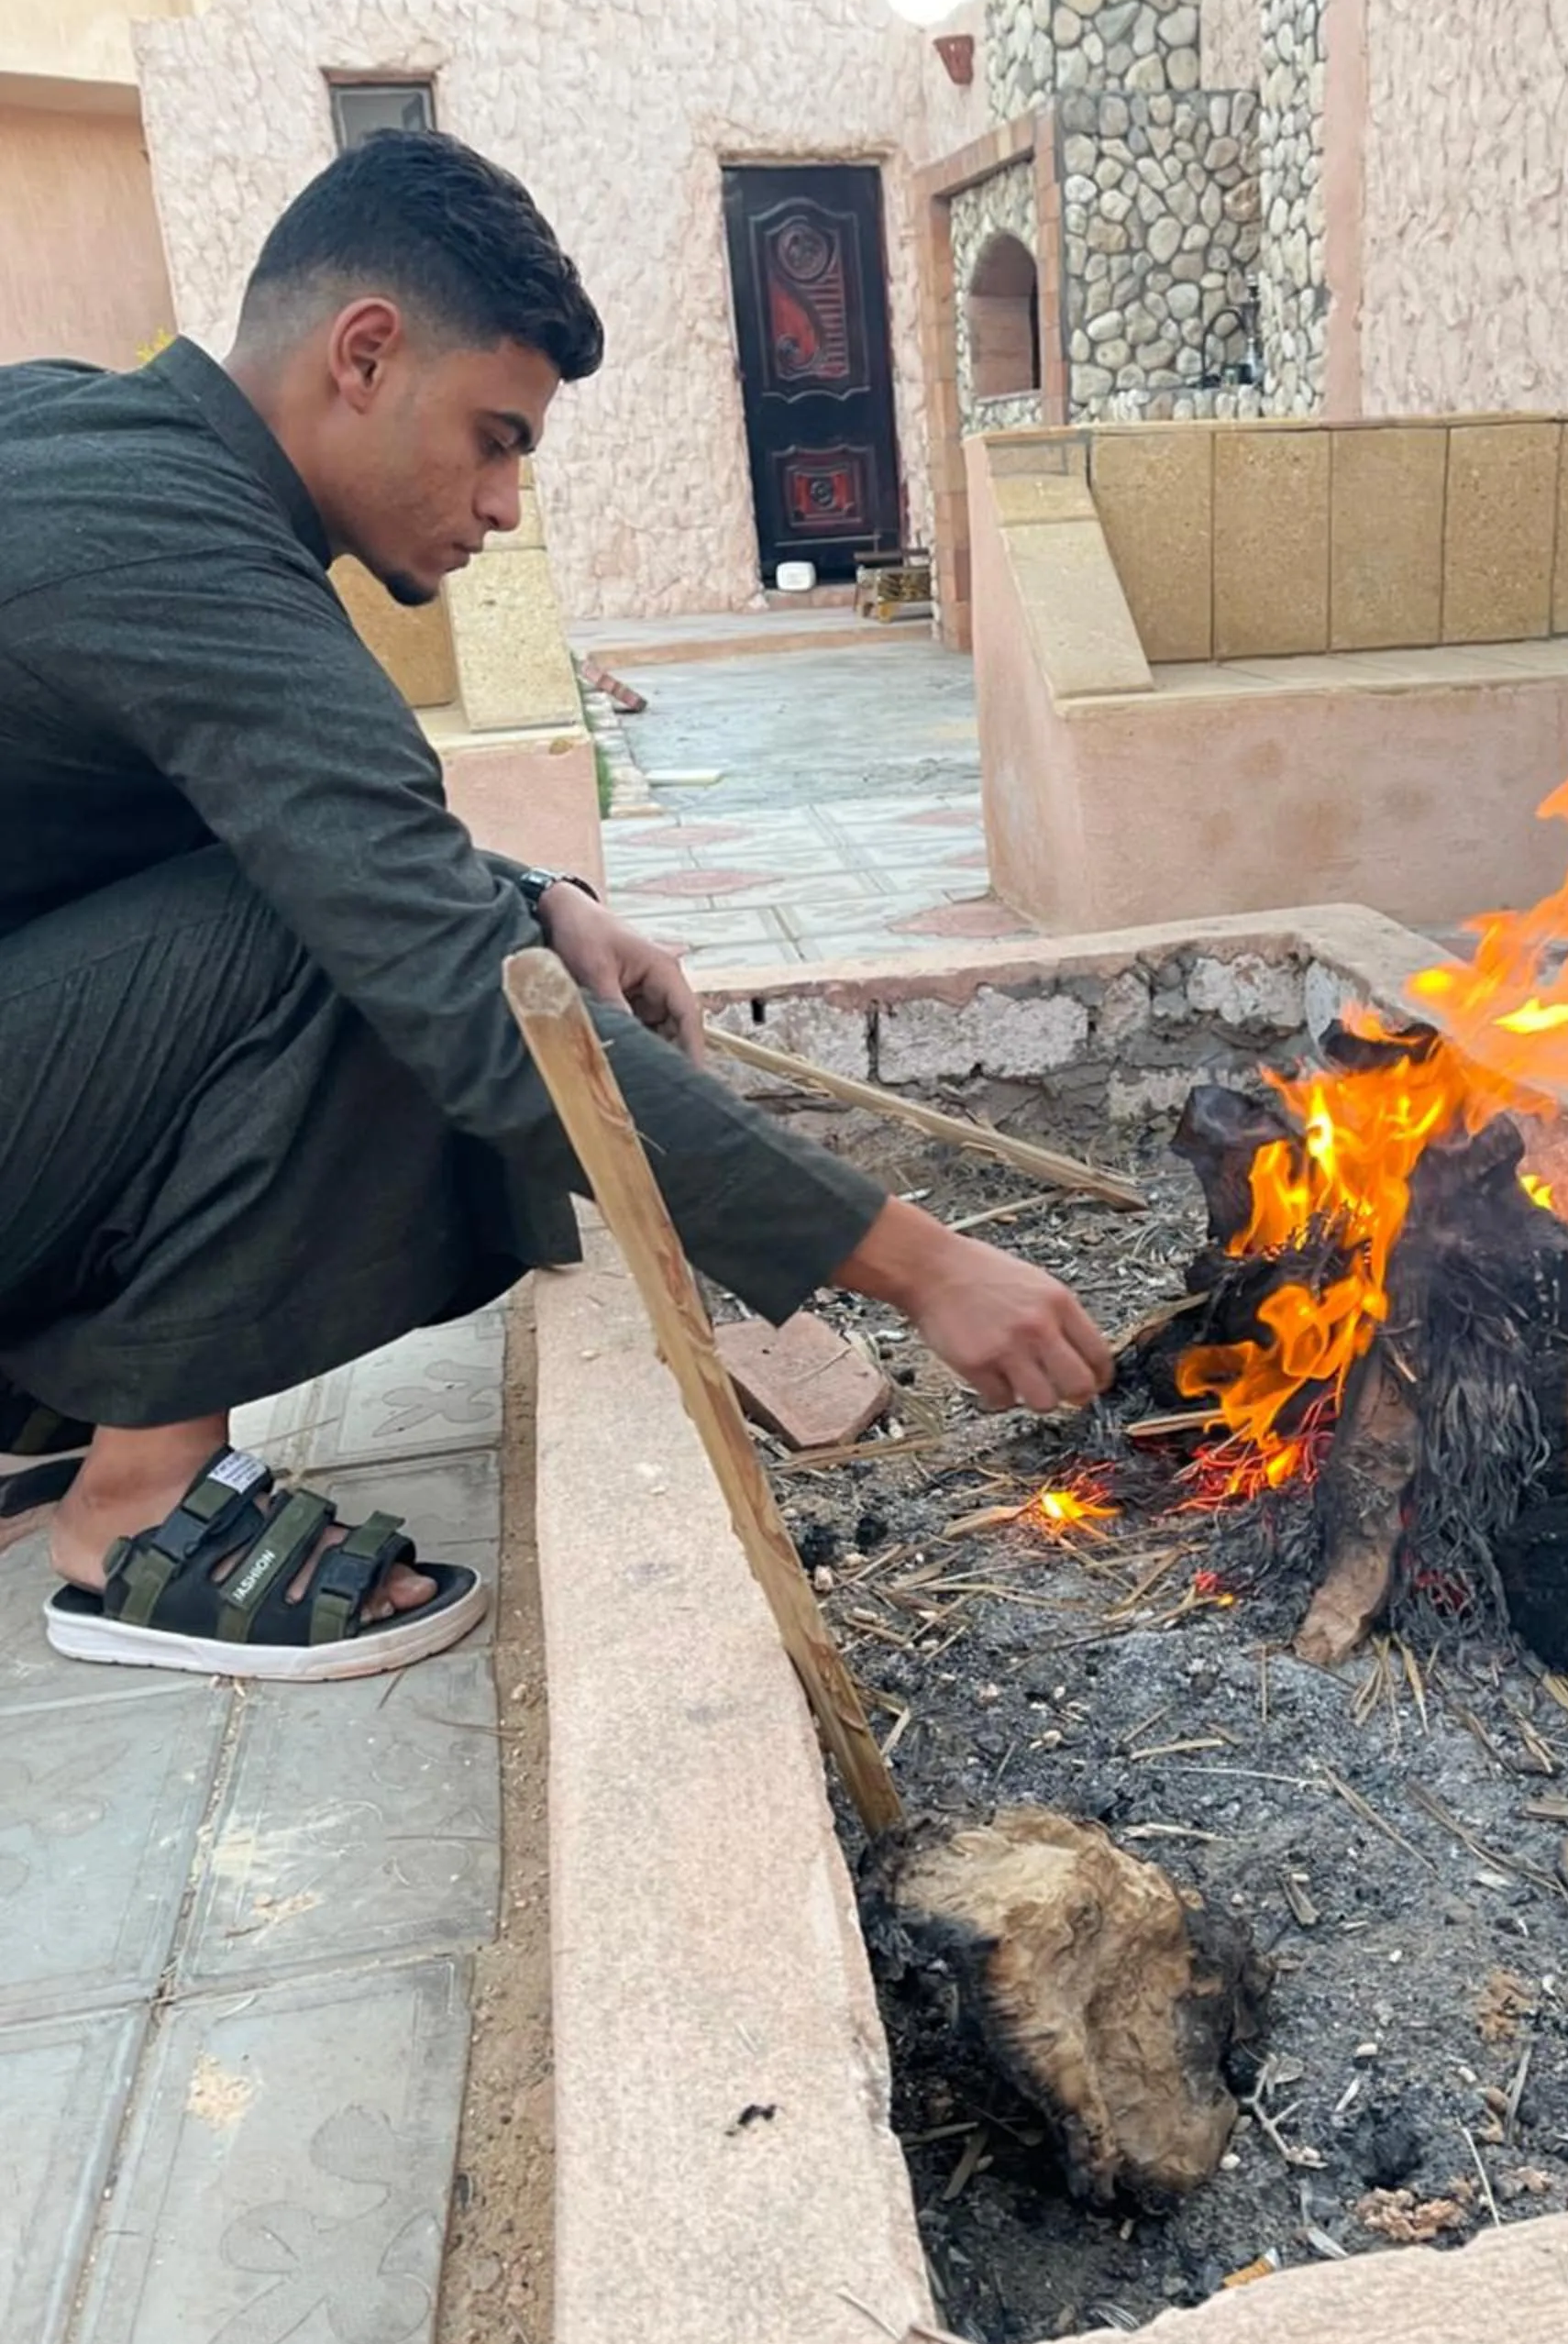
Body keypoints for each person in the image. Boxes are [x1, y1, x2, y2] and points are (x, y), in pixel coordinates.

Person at [0, 129, 1110, 1682]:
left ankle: (59, 1376)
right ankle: (133, 1514)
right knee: (367, 957)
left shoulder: (80, 430)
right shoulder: (188, 559)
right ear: (366, 355)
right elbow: (446, 984)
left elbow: (279, 821)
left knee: (417, 919)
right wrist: (924, 1265)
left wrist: (538, 891)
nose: (506, 503)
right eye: (496, 437)